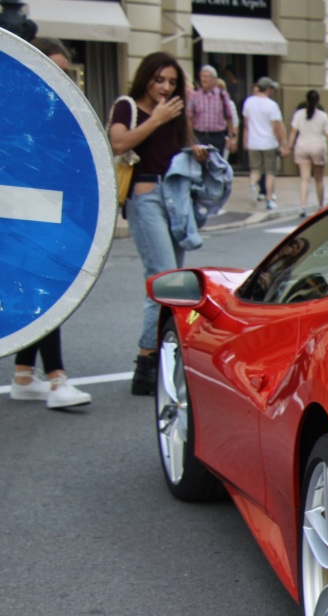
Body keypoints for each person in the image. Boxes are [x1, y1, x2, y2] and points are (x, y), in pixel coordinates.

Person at [109, 52, 210, 395]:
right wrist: (156, 119)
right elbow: (118, 142)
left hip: (176, 195)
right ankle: (146, 361)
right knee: (163, 278)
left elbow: (176, 150)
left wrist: (194, 150)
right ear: (146, 78)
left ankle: (161, 356)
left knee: (174, 284)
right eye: (159, 80)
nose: (165, 88)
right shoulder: (128, 106)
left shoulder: (175, 112)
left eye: (171, 82)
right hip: (146, 194)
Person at [10, 37, 92, 409]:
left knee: (37, 287)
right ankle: (57, 380)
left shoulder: (61, 111)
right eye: (52, 69)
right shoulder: (22, 107)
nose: (59, 79)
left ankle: (24, 375)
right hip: (22, 208)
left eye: (65, 72)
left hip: (48, 208)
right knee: (44, 288)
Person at [288, 89, 328, 215]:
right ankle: (321, 206)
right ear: (318, 101)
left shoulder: (299, 114)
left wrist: (289, 146)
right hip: (318, 147)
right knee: (319, 179)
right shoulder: (323, 116)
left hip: (302, 147)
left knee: (304, 179)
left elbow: (293, 132)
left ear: (306, 100)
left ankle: (303, 206)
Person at [243, 76, 289, 211]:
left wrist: (245, 140)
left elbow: (246, 124)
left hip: (253, 141)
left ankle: (252, 184)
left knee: (255, 169)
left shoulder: (249, 102)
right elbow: (276, 127)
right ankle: (269, 199)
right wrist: (282, 143)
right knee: (269, 172)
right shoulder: (272, 105)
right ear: (268, 89)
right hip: (268, 142)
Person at [188, 65, 238, 157]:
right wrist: (191, 139)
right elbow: (189, 118)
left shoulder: (222, 95)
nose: (204, 79)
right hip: (200, 137)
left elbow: (229, 117)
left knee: (216, 167)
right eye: (202, 76)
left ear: (214, 79)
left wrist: (231, 138)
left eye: (207, 77)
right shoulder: (195, 96)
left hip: (218, 137)